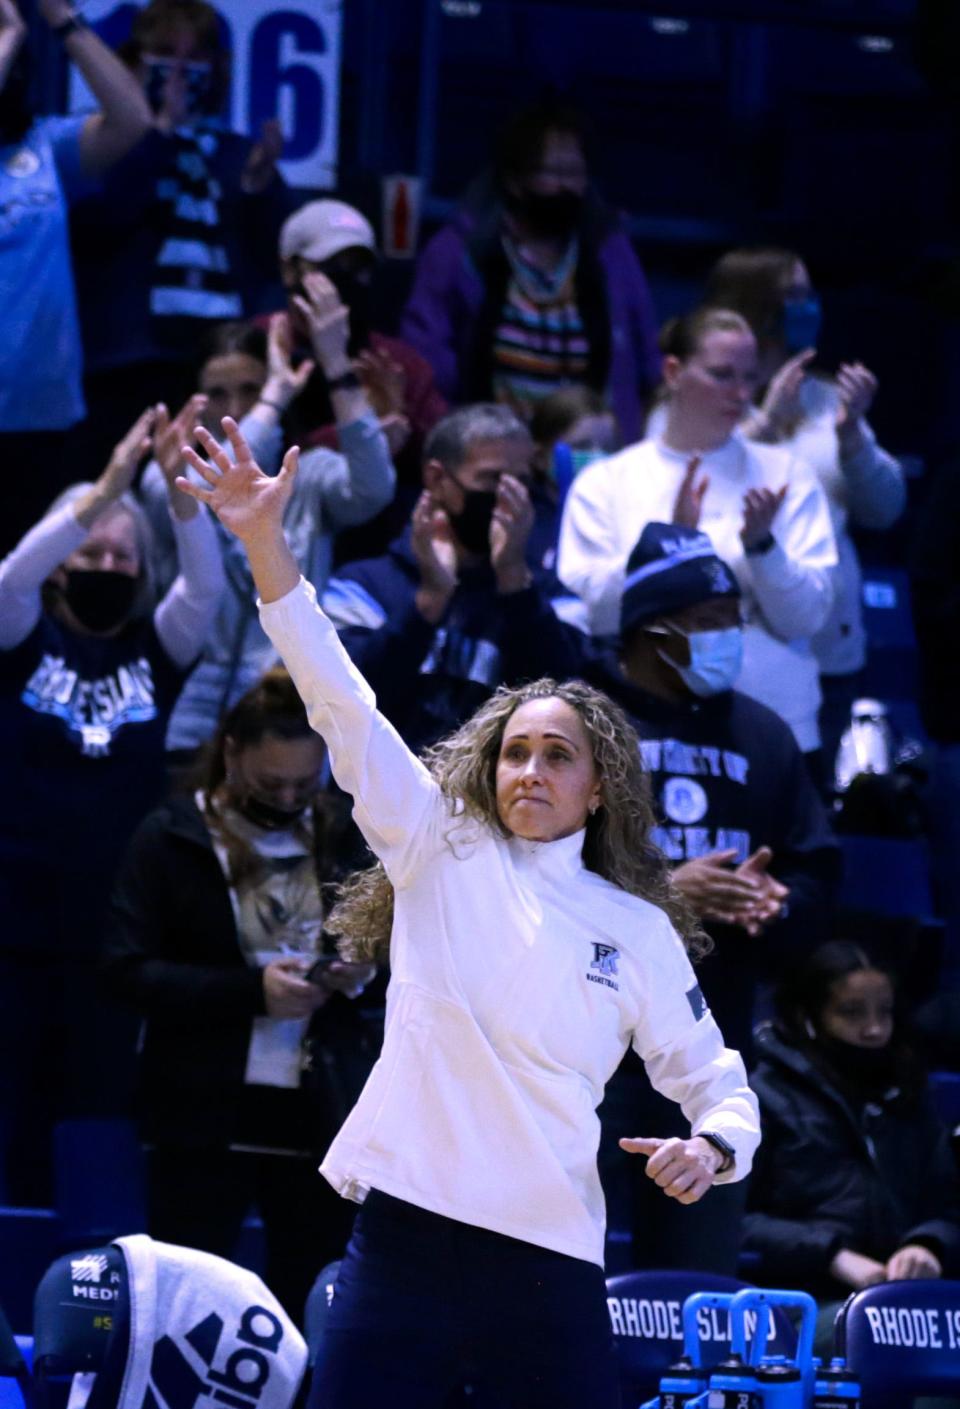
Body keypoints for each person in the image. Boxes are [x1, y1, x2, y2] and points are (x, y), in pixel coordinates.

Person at [174, 416, 760, 1409]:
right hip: (405, 1244)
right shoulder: (434, 843)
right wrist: (265, 543)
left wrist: (710, 1146)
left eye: (557, 754)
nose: (529, 768)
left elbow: (718, 1084)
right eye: (514, 751)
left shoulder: (641, 928)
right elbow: (341, 701)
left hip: (552, 1263)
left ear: (601, 787)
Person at [495, 520, 839, 1272]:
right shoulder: (577, 727)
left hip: (705, 1035)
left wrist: (774, 905)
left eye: (732, 620)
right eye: (712, 623)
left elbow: (819, 871)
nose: (731, 637)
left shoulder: (764, 734)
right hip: (577, 1044)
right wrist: (661, 894)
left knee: (696, 1278)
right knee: (545, 1260)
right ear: (655, 631)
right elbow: (518, 859)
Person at [103, 669, 378, 1322]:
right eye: (268, 784)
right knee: (185, 1303)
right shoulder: (171, 835)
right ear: (231, 753)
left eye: (302, 786)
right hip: (201, 1108)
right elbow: (123, 970)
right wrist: (248, 991)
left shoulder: (341, 834)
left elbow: (396, 951)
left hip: (318, 1109)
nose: (286, 798)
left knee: (307, 1299)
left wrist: (359, 971)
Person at [0, 407, 224, 1203]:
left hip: (111, 927)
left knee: (94, 1107)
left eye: (121, 555)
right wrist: (103, 493)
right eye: (90, 550)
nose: (105, 561)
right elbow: (10, 576)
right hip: (12, 919)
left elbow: (206, 588)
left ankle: (88, 1271)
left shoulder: (154, 652)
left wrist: (178, 498)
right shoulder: (19, 632)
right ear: (64, 561)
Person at [558, 306, 838, 760]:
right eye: (722, 375)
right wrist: (667, 549)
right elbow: (595, 615)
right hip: (639, 733)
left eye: (750, 377)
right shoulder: (607, 482)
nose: (742, 393)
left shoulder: (787, 476)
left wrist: (762, 548)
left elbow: (805, 618)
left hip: (772, 728)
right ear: (673, 372)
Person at [139, 275, 395, 760]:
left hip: (288, 708)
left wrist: (336, 362)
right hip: (191, 707)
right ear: (193, 399)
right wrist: (273, 398)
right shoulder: (168, 476)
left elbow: (375, 488)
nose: (234, 408)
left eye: (251, 390)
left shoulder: (306, 475)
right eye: (217, 394)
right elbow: (216, 489)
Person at [69, 0, 290, 479]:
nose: (180, 73)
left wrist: (257, 187)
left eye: (196, 60)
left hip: (214, 364)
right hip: (126, 361)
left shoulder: (235, 155)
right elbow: (101, 225)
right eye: (166, 54)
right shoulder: (103, 143)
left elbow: (272, 258)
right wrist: (158, 136)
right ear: (135, 60)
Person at [705, 247, 905, 771]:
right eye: (793, 296)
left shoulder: (828, 400)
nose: (809, 307)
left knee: (805, 812)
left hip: (826, 649)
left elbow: (885, 508)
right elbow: (687, 489)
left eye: (810, 294)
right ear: (754, 307)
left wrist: (852, 436)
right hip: (731, 649)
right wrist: (765, 423)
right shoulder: (704, 398)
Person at [401, 99, 660, 443]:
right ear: (514, 179)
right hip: (491, 452)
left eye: (574, 173)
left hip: (590, 452)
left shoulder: (610, 253)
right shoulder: (459, 252)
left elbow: (646, 361)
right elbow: (427, 361)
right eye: (551, 172)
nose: (565, 186)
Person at [743, 941, 960, 1347]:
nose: (874, 1029)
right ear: (808, 1016)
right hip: (798, 1301)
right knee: (876, 1341)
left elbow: (948, 1203)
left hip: (909, 1301)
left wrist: (928, 1242)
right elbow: (737, 1222)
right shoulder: (763, 1096)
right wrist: (832, 1255)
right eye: (852, 1012)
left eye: (885, 1012)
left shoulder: (909, 1092)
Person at [321, 403, 566, 754]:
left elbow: (569, 705)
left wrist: (516, 584)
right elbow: (342, 704)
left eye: (521, 483)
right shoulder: (361, 588)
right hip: (373, 801)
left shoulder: (551, 599)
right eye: (492, 480)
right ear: (437, 479)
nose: (508, 497)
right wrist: (428, 603)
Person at [0, 0, 153, 551]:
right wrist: (11, 28)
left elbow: (133, 118)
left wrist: (60, 19)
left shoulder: (46, 146)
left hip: (46, 418)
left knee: (36, 582)